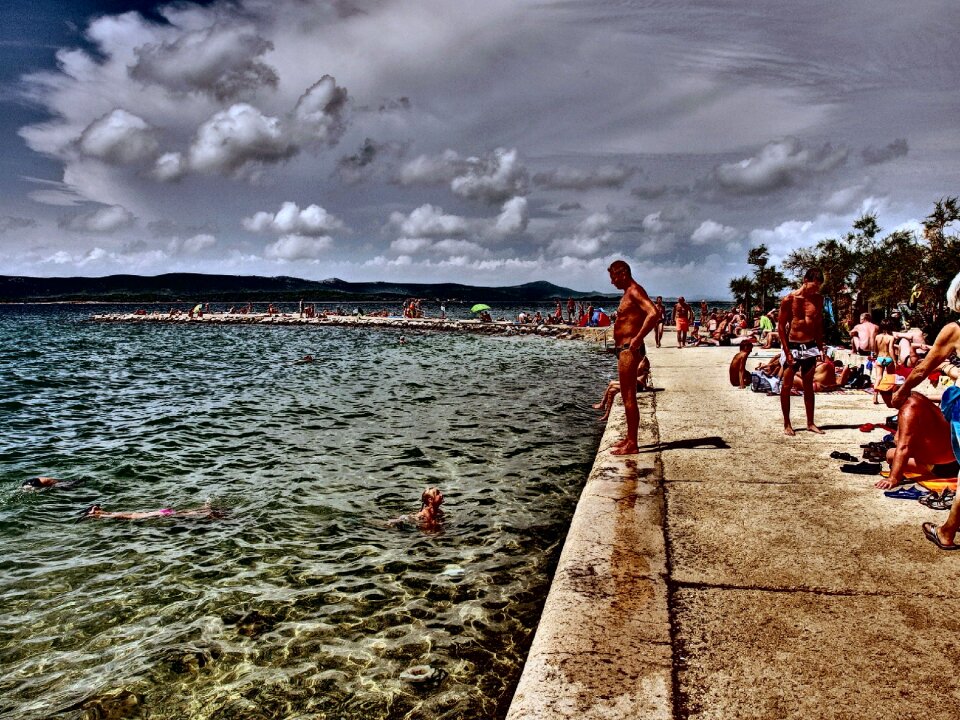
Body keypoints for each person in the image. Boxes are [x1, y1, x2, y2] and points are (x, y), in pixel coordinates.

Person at [888, 271, 960, 549]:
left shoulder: (954, 329)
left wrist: (902, 391)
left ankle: (947, 531)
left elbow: (921, 369)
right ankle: (947, 529)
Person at [607, 260, 659, 455]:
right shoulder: (628, 293)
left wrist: (637, 339)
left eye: (613, 277)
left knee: (629, 397)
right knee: (628, 396)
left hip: (629, 350)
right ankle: (630, 438)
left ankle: (633, 444)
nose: (612, 282)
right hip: (625, 349)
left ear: (623, 274)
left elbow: (654, 313)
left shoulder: (635, 291)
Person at [872, 375, 958, 490]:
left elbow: (903, 447)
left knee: (890, 455)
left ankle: (927, 467)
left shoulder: (908, 409)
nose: (885, 398)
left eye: (886, 394)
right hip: (954, 457)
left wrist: (893, 478)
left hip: (943, 466)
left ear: (897, 392)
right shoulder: (917, 398)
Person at [778, 268, 826, 436]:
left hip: (810, 345)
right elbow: (781, 327)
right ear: (805, 280)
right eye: (814, 286)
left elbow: (818, 324)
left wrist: (821, 346)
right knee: (787, 385)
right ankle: (787, 423)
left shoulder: (818, 300)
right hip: (792, 345)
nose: (815, 290)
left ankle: (810, 423)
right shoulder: (789, 300)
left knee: (808, 385)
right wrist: (787, 351)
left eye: (818, 287)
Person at [593, 355, 651, 421]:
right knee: (612, 389)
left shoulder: (643, 361)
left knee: (611, 384)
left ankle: (604, 409)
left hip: (636, 385)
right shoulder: (637, 359)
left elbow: (642, 378)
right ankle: (605, 410)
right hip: (633, 383)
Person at [84, 501, 225, 520]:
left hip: (162, 512)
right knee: (128, 516)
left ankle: (99, 512)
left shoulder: (136, 515)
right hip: (162, 512)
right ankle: (98, 513)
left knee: (129, 516)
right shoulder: (136, 516)